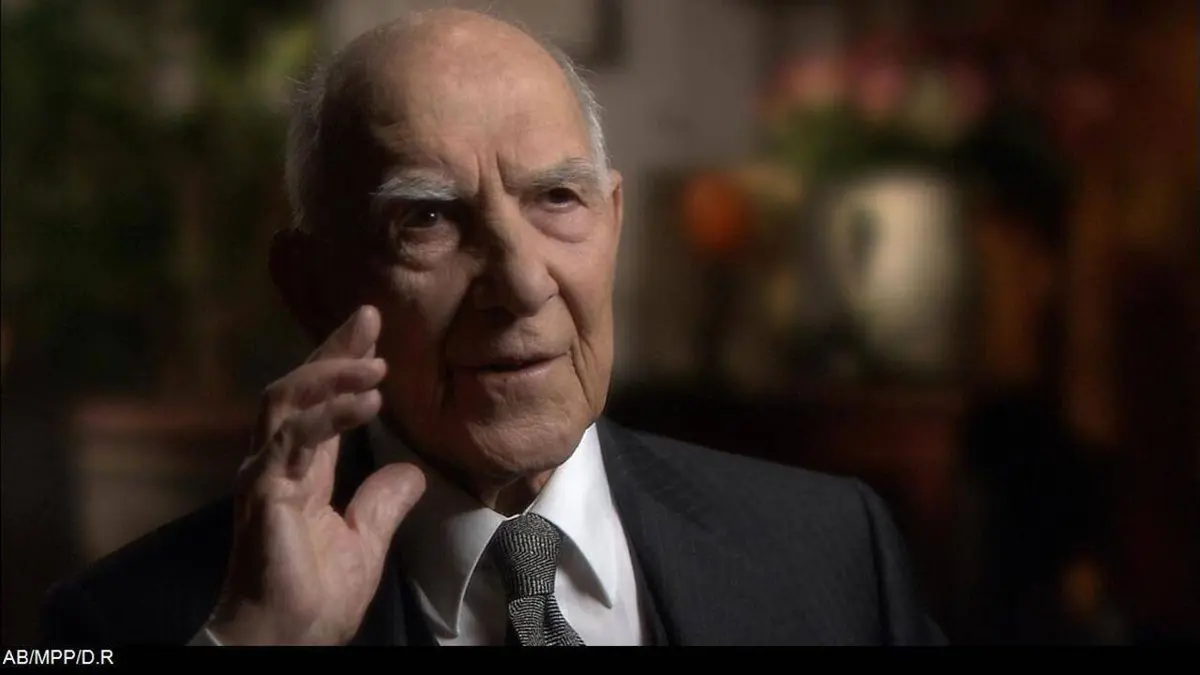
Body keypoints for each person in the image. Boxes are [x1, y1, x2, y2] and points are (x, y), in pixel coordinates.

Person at [39, 9, 946, 646]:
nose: (520, 282)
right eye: (429, 219)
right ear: (310, 286)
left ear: (614, 222)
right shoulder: (126, 624)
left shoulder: (831, 546)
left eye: (557, 199)